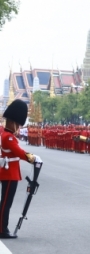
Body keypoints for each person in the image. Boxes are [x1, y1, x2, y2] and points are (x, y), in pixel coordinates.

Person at [0, 100, 36, 238]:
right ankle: (2, 229)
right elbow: (19, 152)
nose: (18, 127)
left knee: (5, 202)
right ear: (12, 123)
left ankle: (2, 227)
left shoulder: (8, 135)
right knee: (6, 203)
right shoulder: (8, 137)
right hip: (9, 174)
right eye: (18, 125)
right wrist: (32, 158)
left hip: (10, 172)